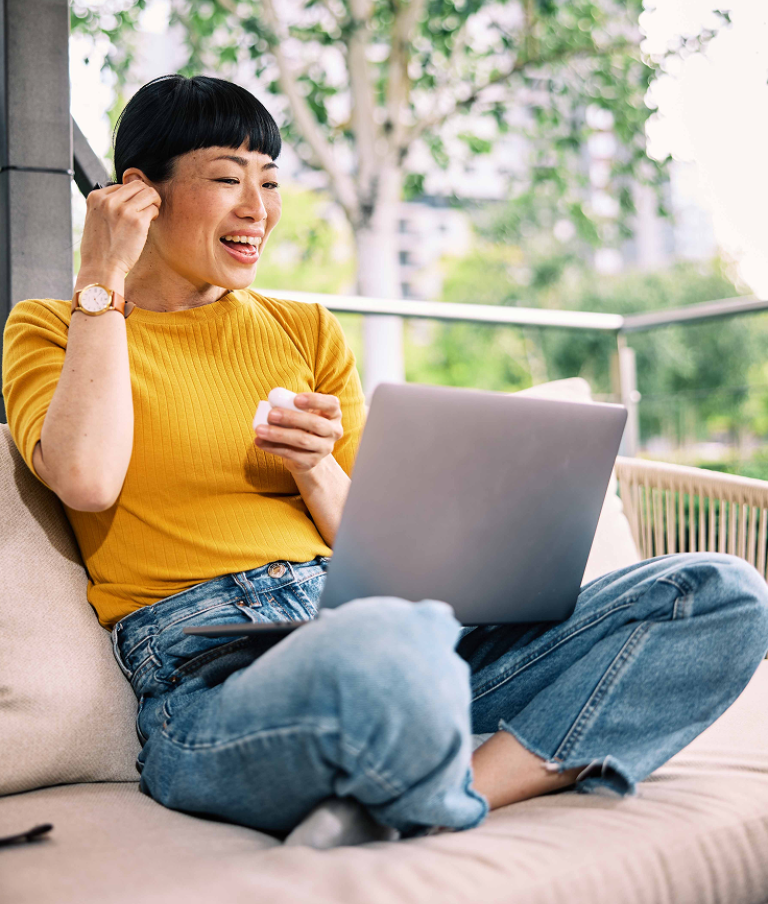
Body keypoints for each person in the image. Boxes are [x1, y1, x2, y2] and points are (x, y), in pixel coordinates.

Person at [4, 73, 768, 847]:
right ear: (140, 193)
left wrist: (314, 468)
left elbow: (378, 544)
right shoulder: (55, 328)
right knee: (390, 646)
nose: (258, 209)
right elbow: (87, 479)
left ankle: (451, 788)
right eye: (229, 179)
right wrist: (101, 278)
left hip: (379, 627)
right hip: (219, 673)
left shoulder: (305, 328)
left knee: (719, 593)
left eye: (270, 181)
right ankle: (415, 744)